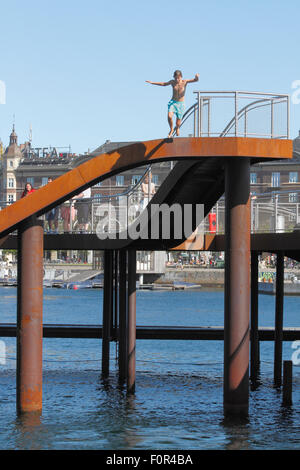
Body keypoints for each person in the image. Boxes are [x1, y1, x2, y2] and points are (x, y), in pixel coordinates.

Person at [146, 70, 199, 137]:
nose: (177, 80)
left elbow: (195, 80)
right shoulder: (172, 82)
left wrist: (196, 77)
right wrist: (152, 82)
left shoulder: (185, 82)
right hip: (173, 103)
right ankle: (171, 129)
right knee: (169, 116)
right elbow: (164, 84)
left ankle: (177, 128)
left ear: (181, 77)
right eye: (176, 78)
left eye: (178, 78)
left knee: (178, 123)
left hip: (181, 104)